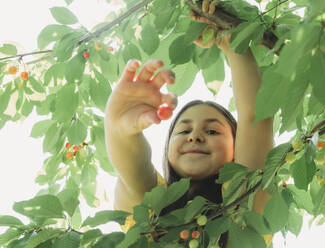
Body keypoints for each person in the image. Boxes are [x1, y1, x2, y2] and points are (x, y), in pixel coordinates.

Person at [104, 3, 274, 247]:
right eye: (183, 130)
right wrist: (118, 129)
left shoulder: (245, 209)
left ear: (239, 147)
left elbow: (255, 117)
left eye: (213, 130)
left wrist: (232, 40)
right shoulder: (152, 211)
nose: (194, 136)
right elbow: (134, 170)